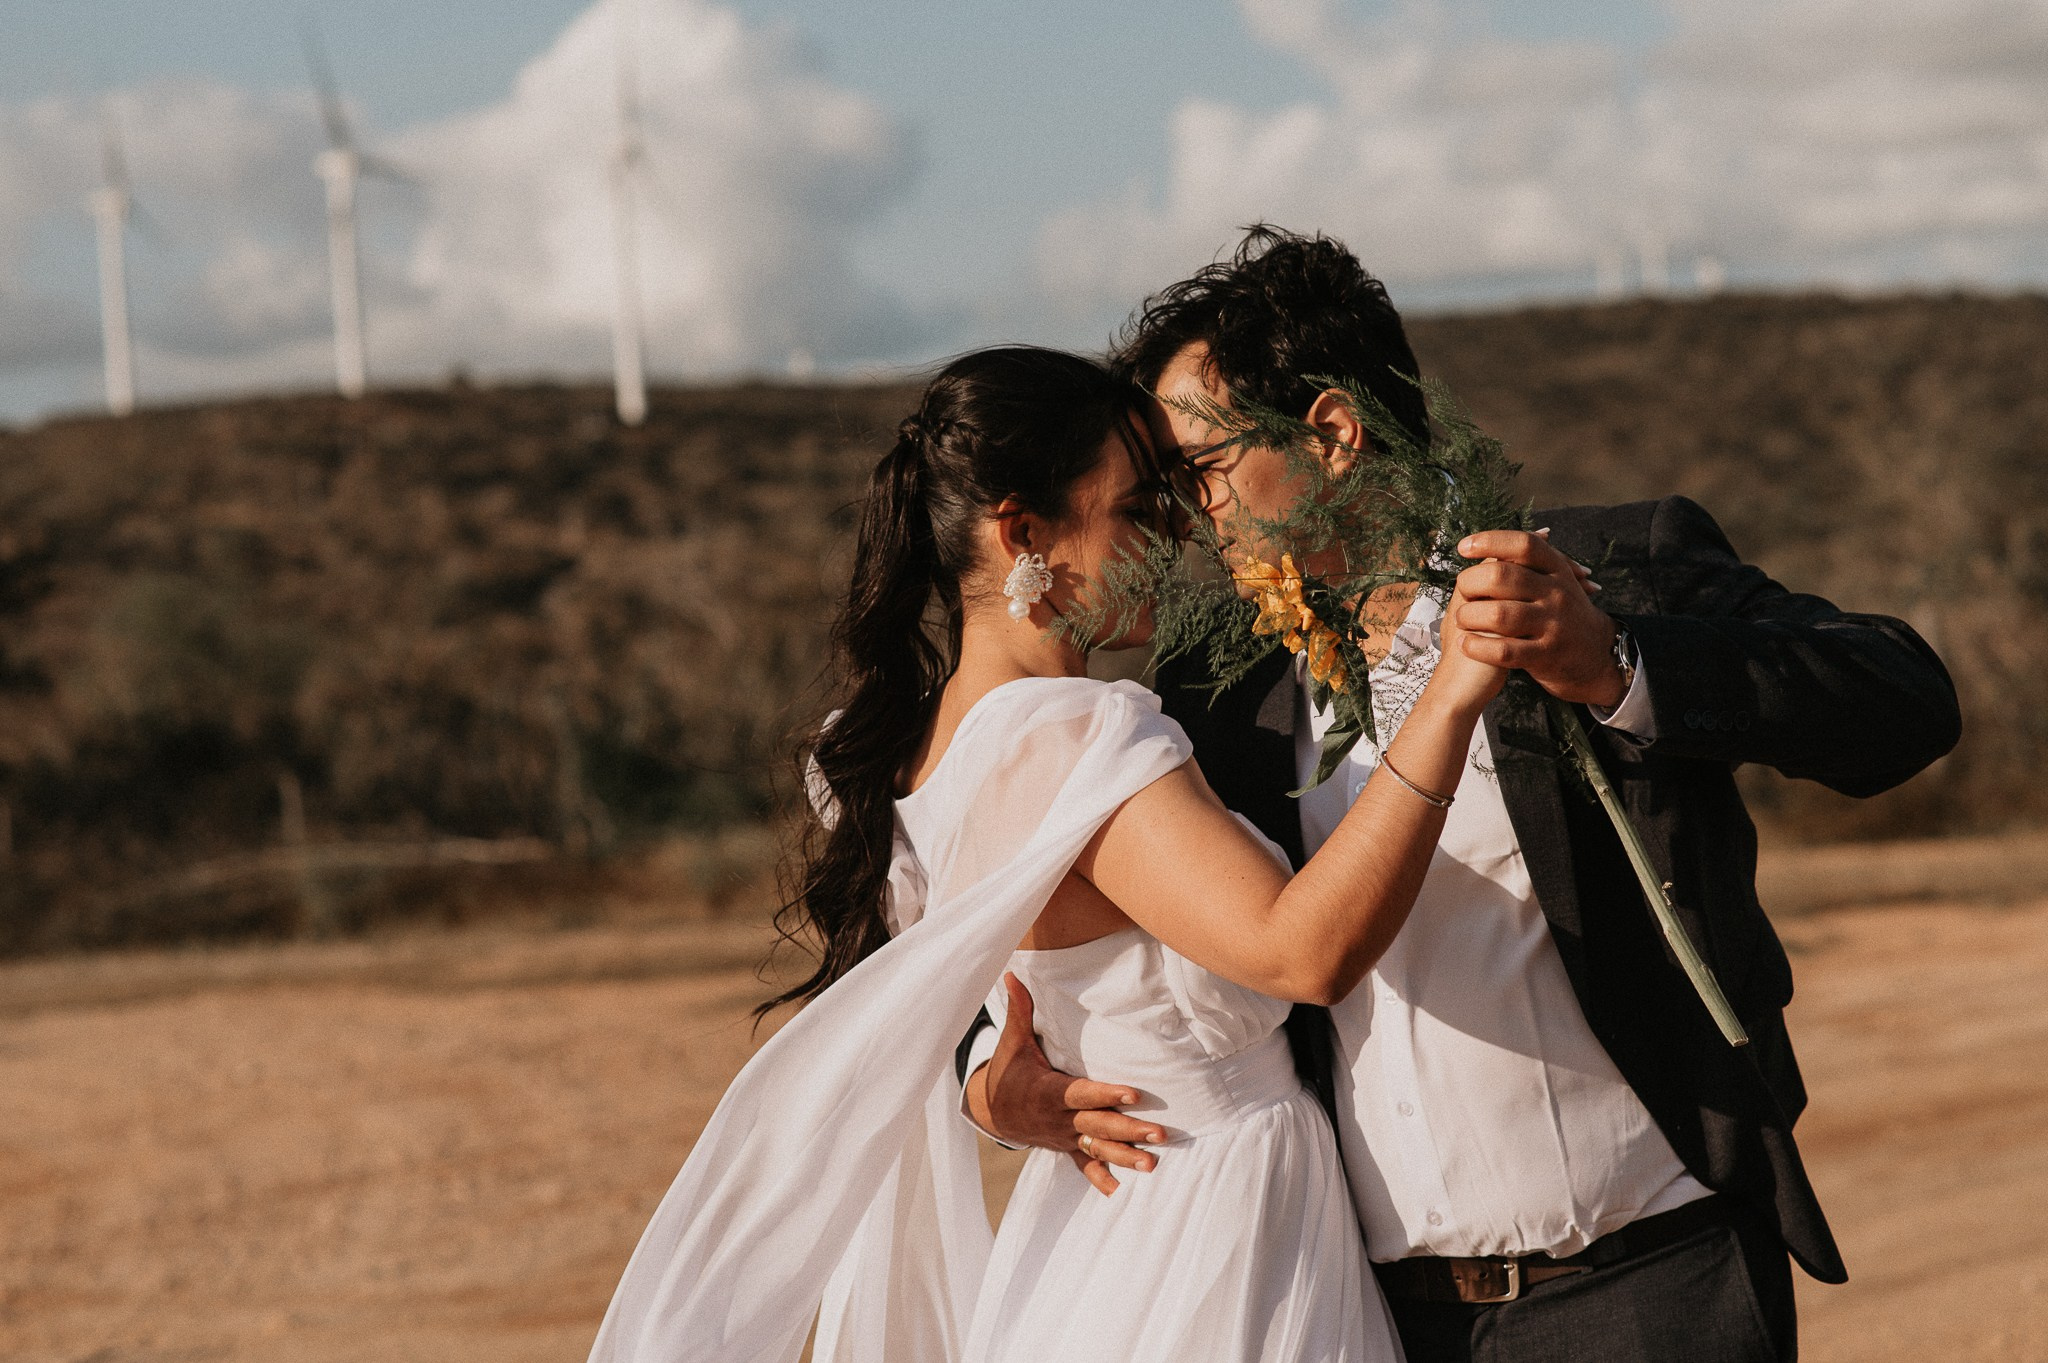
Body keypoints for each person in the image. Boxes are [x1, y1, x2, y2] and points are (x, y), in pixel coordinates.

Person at [962, 229, 1963, 1363]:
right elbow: (1000, 925)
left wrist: (1618, 667)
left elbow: (1901, 697)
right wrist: (991, 1085)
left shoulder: (1594, 569)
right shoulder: (1211, 690)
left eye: (1200, 470)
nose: (1188, 519)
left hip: (1649, 1286)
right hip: (1367, 1315)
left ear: (1332, 435)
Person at [585, 344, 1513, 1363]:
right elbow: (1301, 951)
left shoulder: (914, 750)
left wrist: (987, 1079)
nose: (1172, 536)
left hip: (1090, 1232)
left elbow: (991, 1002)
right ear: (1021, 531)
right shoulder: (1082, 736)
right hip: (1217, 1229)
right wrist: (1450, 695)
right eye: (1133, 509)